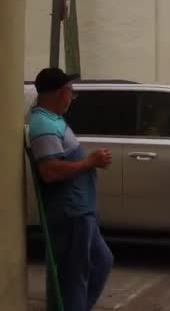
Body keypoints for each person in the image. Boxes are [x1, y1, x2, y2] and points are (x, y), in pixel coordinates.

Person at [28, 67, 114, 311]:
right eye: (71, 92)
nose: (72, 98)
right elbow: (50, 171)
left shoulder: (53, 120)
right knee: (73, 277)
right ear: (60, 93)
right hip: (69, 214)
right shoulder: (43, 124)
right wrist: (91, 161)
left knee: (101, 261)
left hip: (81, 210)